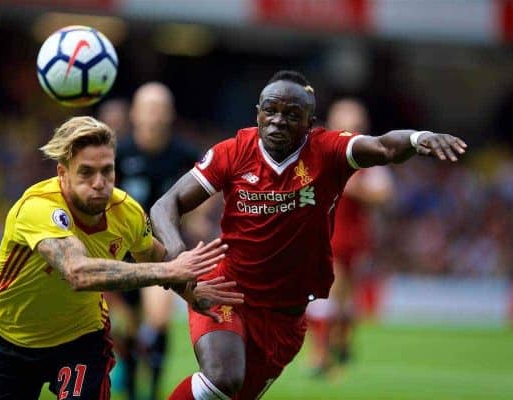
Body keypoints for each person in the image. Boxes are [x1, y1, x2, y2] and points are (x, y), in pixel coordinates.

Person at [150, 70, 467, 400]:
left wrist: (418, 139)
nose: (277, 121)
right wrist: (178, 257)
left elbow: (384, 147)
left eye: (291, 114)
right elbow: (165, 205)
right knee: (223, 378)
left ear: (310, 121)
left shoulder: (328, 151)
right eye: (270, 110)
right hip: (227, 289)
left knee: (231, 395)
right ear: (257, 111)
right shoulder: (233, 152)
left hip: (285, 313)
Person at [0, 116, 243, 400]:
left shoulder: (126, 211)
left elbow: (155, 255)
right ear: (62, 173)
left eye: (107, 171)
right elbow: (78, 273)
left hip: (79, 343)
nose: (100, 183)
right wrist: (169, 272)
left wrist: (194, 291)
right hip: (9, 343)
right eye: (86, 173)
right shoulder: (37, 208)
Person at [99, 83, 200, 400]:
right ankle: (129, 380)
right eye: (148, 107)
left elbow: (209, 189)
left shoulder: (184, 155)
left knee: (158, 320)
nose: (154, 114)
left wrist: (196, 220)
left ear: (170, 114)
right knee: (127, 326)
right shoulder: (119, 154)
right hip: (123, 253)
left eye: (160, 107)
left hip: (162, 251)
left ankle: (153, 390)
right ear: (135, 114)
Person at [305, 98, 394, 376]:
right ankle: (321, 354)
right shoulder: (319, 152)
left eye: (357, 126)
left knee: (345, 300)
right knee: (327, 296)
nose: (353, 131)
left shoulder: (370, 157)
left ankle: (340, 345)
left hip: (355, 238)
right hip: (326, 235)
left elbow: (384, 194)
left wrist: (356, 189)